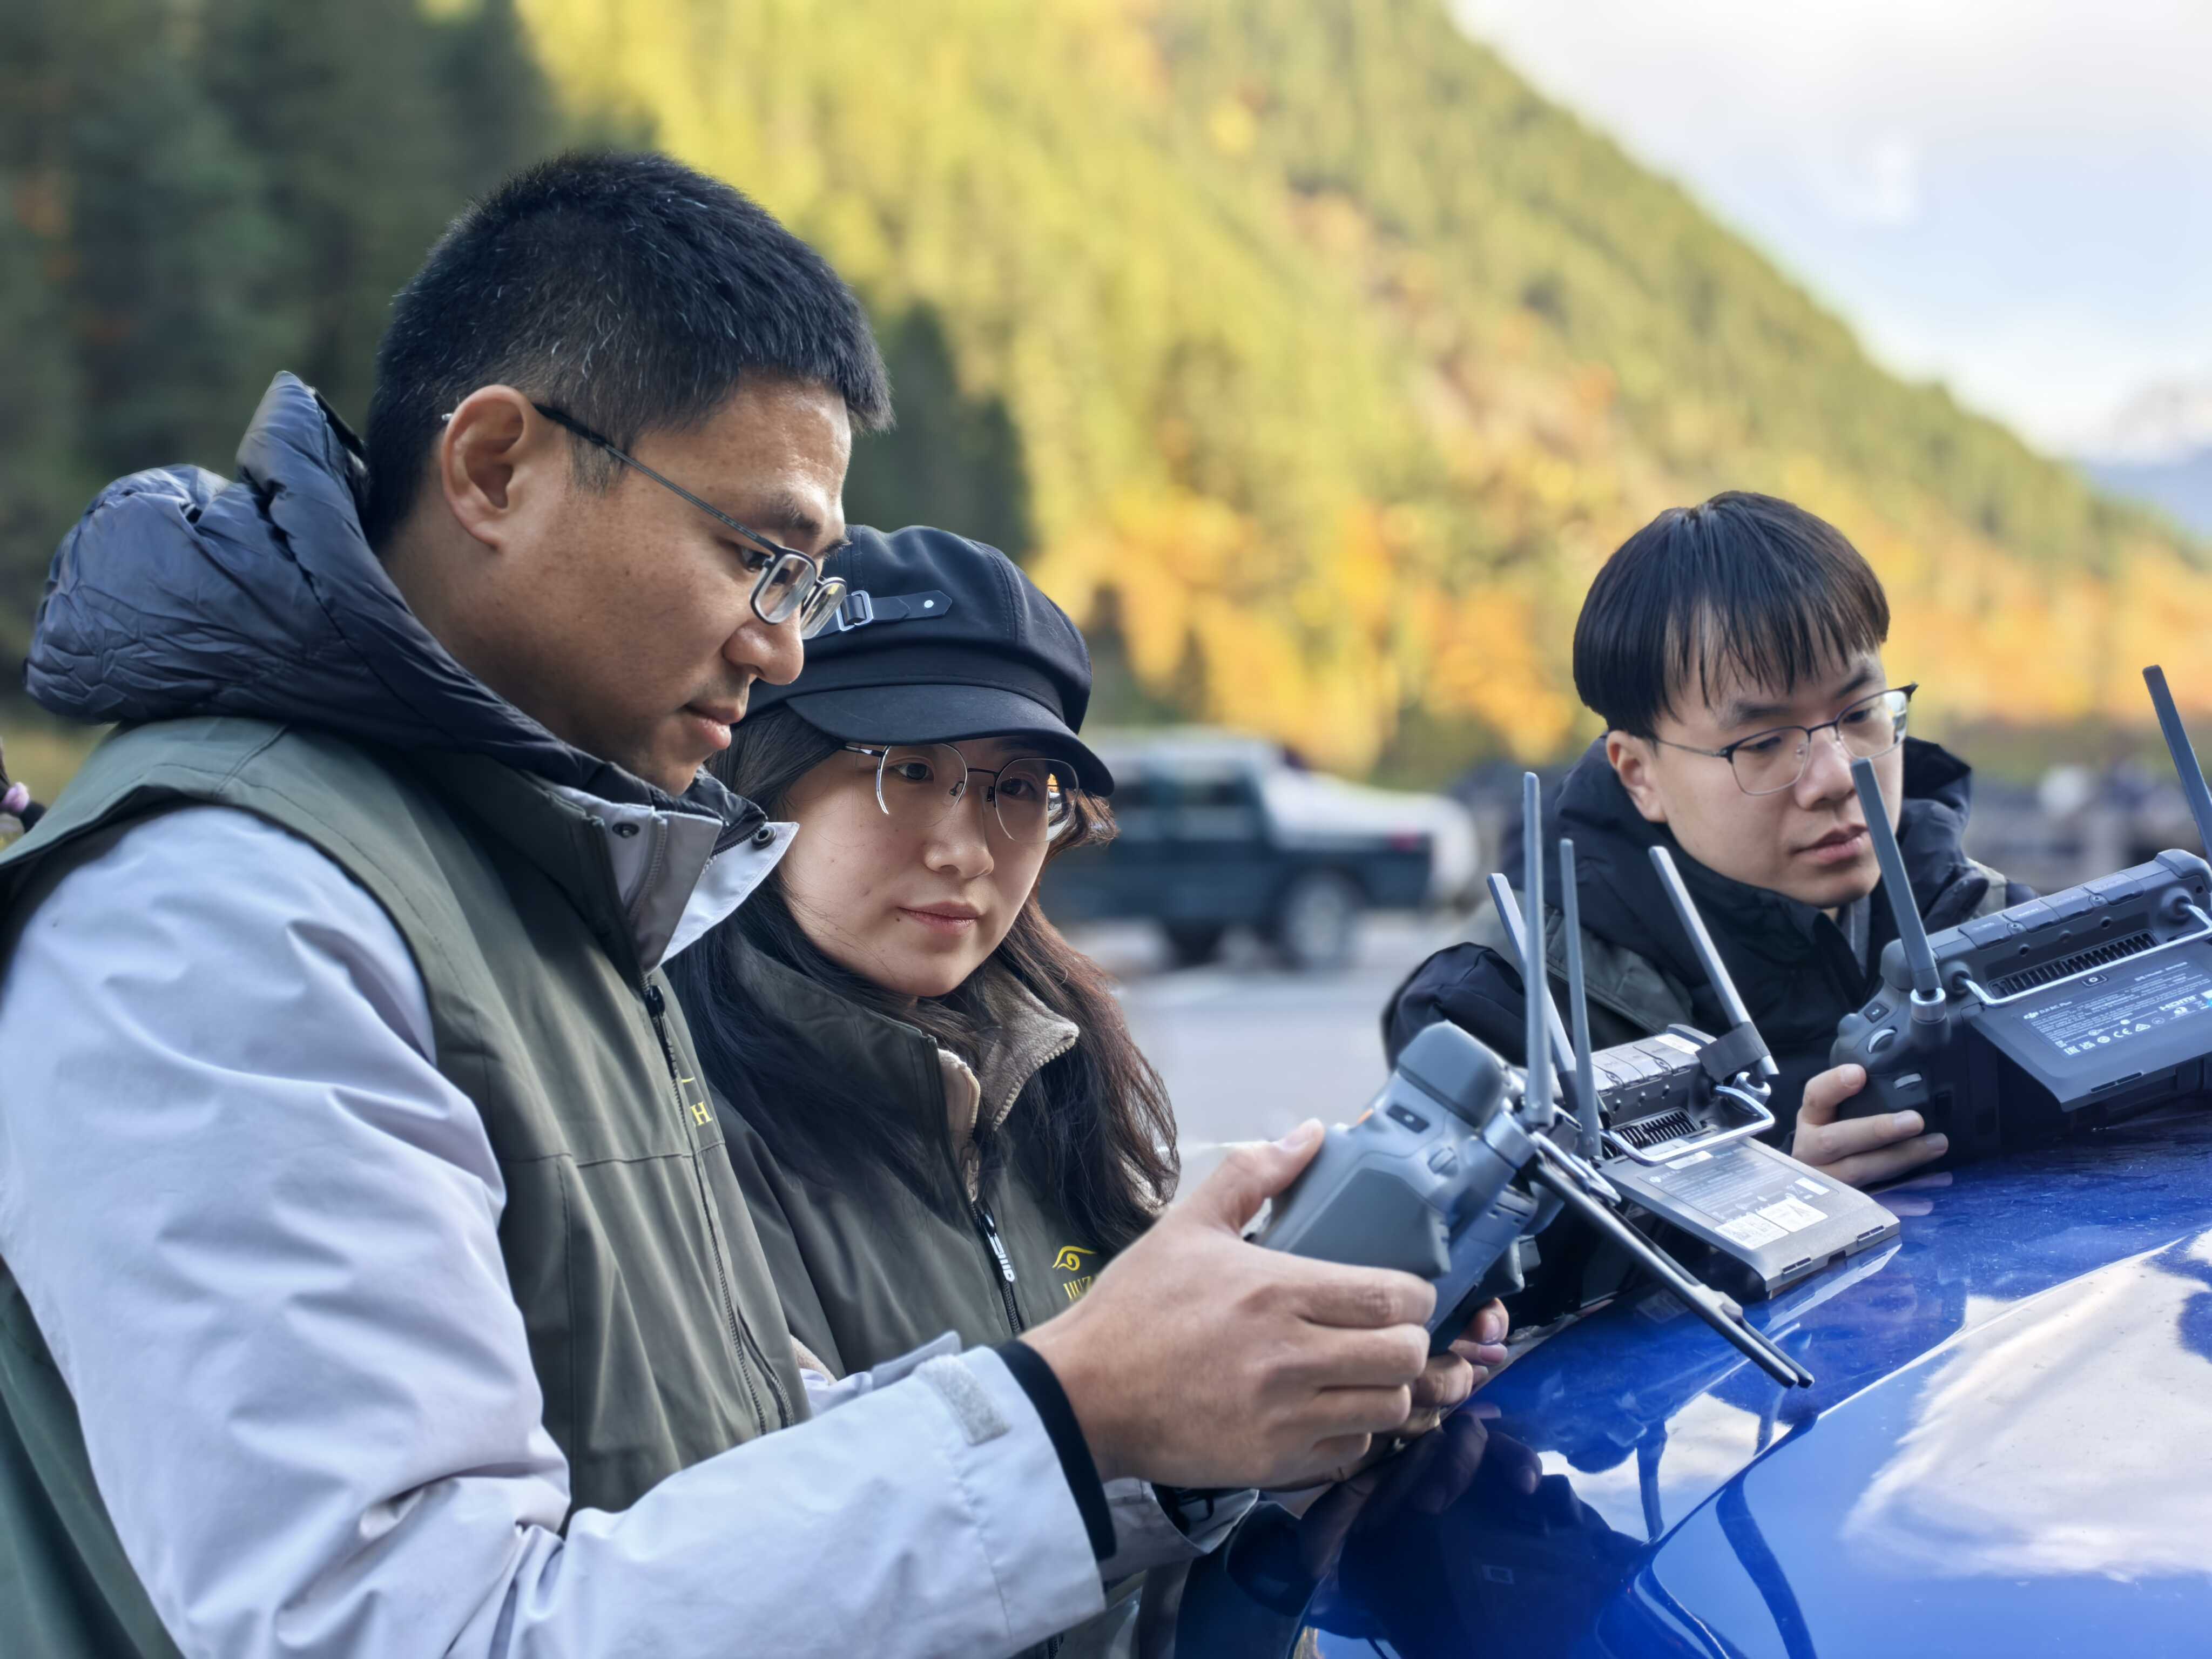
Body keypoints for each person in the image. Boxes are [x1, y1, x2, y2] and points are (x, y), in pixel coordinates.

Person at [0, 152, 1446, 1659]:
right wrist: (1069, 1416)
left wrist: (1165, 1422)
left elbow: (709, 1462)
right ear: (493, 467)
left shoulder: (543, 884)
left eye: (806, 583)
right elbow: (410, 1630)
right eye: (758, 556)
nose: (785, 651)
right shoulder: (229, 917)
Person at [665, 526, 1512, 1651]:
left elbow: (1156, 1581)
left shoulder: (1060, 1078)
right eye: (907, 771)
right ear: (764, 774)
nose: (968, 848)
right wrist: (1134, 1438)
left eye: (1019, 789)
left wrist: (1303, 1426)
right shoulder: (664, 1116)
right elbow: (755, 1578)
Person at [1385, 492, 2031, 1192]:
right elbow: (1467, 1256)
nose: (1836, 777)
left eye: (1861, 713)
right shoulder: (1500, 1014)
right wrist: (1769, 1203)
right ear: (1640, 774)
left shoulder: (1989, 928)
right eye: (1764, 742)